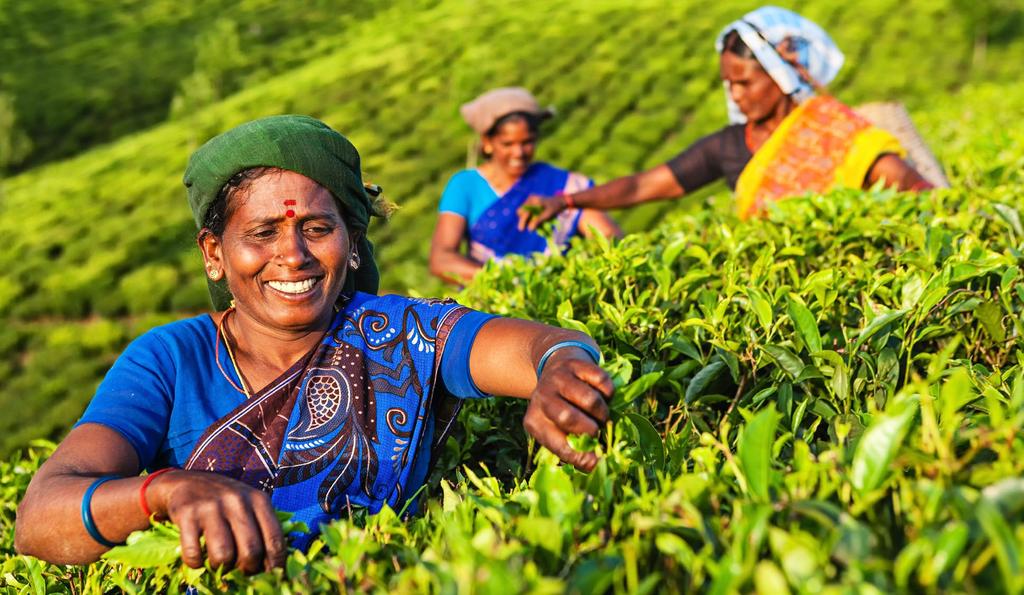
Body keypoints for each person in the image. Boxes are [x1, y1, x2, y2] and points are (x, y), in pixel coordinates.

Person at [14, 115, 614, 573]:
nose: (293, 255)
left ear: (352, 244)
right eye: (262, 233)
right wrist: (165, 492)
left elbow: (539, 347)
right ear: (214, 254)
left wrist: (560, 370)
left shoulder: (400, 332)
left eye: (317, 229)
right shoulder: (170, 360)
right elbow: (42, 516)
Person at [517, 6, 933, 231]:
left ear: (780, 74)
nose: (735, 94)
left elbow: (899, 177)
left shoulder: (831, 131)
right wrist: (566, 201)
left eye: (745, 82)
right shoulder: (729, 146)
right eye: (728, 83)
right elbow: (645, 184)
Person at [430, 87, 620, 285]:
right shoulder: (465, 186)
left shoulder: (565, 185)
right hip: (489, 305)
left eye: (527, 142)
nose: (519, 152)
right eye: (507, 144)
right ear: (487, 142)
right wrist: (510, 282)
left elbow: (610, 240)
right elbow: (441, 259)